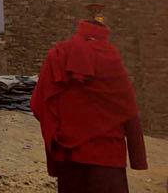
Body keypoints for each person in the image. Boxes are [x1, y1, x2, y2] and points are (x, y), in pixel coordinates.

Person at [31, 14, 147, 193]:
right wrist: (138, 157)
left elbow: (39, 104)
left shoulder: (58, 54)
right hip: (108, 159)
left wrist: (57, 139)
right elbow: (129, 109)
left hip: (69, 158)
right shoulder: (110, 57)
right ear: (103, 34)